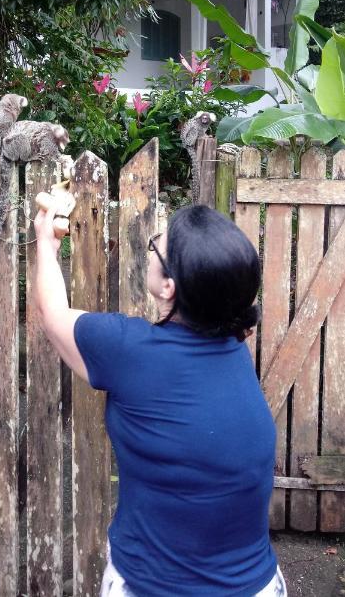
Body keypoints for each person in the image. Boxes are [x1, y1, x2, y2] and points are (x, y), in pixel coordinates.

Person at [34, 201, 287, 597]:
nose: (151, 250)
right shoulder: (233, 344)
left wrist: (46, 244)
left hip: (152, 587)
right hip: (258, 586)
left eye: (155, 247)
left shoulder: (128, 350)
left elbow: (52, 314)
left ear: (169, 286)